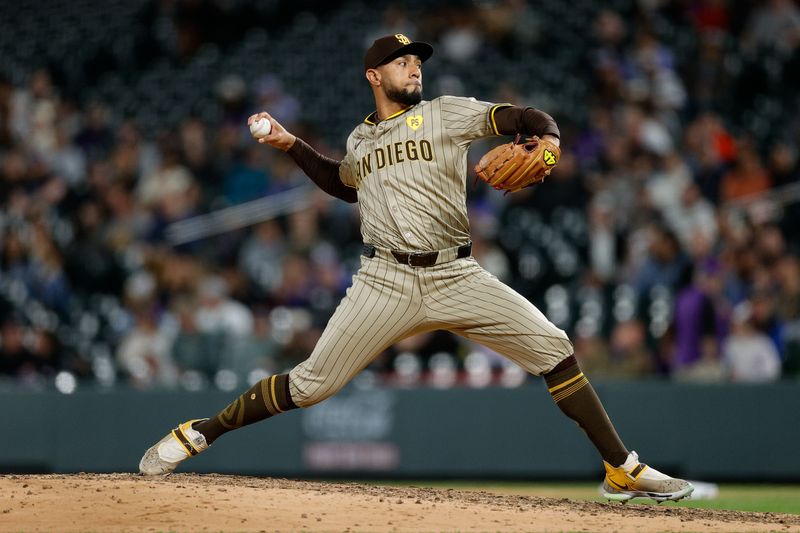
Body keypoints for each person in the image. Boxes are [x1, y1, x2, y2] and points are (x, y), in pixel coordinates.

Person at [139, 35, 693, 503]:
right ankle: (199, 433)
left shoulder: (445, 112)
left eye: (418, 62)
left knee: (554, 348)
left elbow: (522, 116)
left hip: (457, 275)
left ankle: (622, 467)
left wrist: (546, 138)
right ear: (373, 76)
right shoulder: (361, 138)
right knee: (310, 385)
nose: (414, 68)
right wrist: (290, 144)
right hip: (386, 281)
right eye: (402, 62)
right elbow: (341, 181)